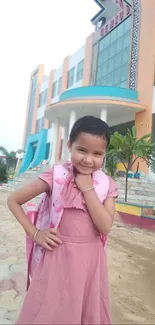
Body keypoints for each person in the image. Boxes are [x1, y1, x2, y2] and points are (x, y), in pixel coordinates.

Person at [8, 115, 118, 325]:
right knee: (51, 309)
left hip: (90, 262)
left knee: (84, 310)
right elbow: (14, 201)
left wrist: (86, 186)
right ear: (70, 146)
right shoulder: (56, 176)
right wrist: (36, 234)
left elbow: (105, 226)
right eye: (82, 150)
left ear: (105, 154)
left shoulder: (107, 184)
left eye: (97, 153)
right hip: (57, 256)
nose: (88, 159)